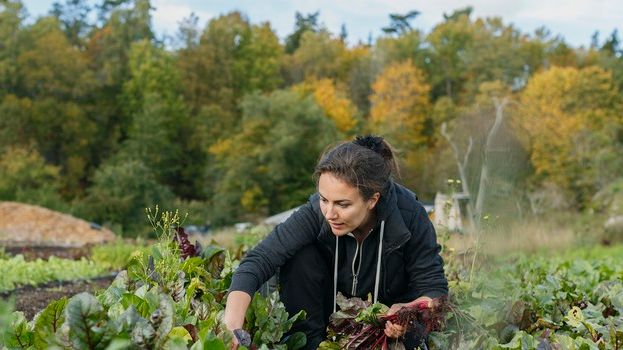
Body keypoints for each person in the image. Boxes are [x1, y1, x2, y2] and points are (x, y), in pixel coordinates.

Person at [223, 135, 448, 349]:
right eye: (324, 200)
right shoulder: (317, 213)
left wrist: (406, 311)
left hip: (385, 330)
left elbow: (434, 289)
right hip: (324, 321)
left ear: (372, 200)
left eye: (343, 204)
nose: (329, 213)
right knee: (300, 255)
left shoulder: (409, 214)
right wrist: (232, 323)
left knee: (415, 329)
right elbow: (259, 259)